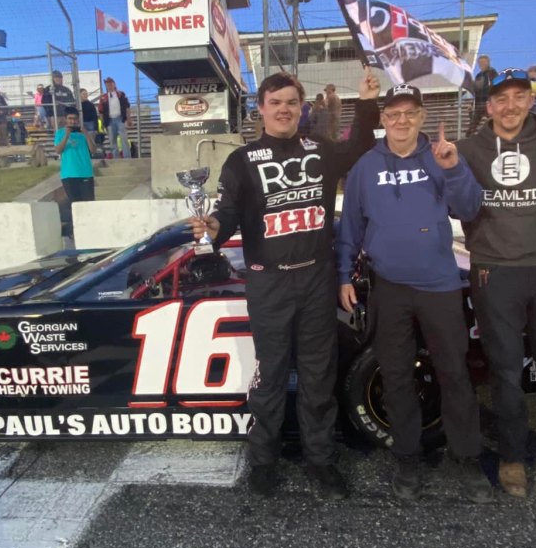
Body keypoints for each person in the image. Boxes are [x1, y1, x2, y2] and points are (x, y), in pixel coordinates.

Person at [190, 68, 380, 499]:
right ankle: (263, 461)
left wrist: (368, 103)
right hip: (268, 281)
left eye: (291, 102)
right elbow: (227, 213)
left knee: (318, 375)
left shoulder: (321, 150)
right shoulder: (241, 160)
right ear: (260, 109)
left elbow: (358, 147)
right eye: (275, 103)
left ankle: (321, 460)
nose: (283, 110)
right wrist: (212, 228)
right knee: (270, 375)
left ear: (301, 108)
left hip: (316, 278)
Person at [337, 85, 491, 503]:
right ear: (382, 119)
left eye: (409, 113)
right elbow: (350, 227)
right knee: (396, 374)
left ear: (422, 116)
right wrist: (344, 276)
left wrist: (453, 168)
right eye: (393, 114)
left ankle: (467, 457)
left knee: (454, 373)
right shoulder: (366, 166)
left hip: (439, 284)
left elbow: (470, 209)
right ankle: (407, 456)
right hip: (389, 287)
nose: (401, 121)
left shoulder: (441, 156)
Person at [455, 68, 536, 498]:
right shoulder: (469, 149)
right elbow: (454, 199)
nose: (510, 106)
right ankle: (512, 456)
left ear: (531, 101)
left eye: (518, 96)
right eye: (501, 99)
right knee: (505, 370)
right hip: (493, 270)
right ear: (489, 106)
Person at [55, 109, 97, 239]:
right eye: (70, 119)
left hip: (85, 173)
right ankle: (72, 231)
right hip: (69, 174)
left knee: (89, 205)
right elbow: (58, 150)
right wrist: (66, 135)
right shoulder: (60, 133)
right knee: (75, 205)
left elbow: (93, 150)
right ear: (65, 119)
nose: (72, 121)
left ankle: (76, 230)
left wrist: (87, 135)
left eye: (75, 119)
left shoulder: (83, 134)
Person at [97, 77, 131, 159]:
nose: (109, 85)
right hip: (109, 120)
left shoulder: (121, 94)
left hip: (120, 118)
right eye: (107, 84)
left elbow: (127, 106)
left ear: (114, 84)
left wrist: (129, 118)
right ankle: (116, 158)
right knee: (112, 141)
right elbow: (101, 111)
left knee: (124, 138)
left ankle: (127, 156)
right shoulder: (103, 97)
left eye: (110, 83)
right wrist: (102, 122)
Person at [466, 54, 496, 137]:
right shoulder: (478, 75)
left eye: (483, 62)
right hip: (479, 104)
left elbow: (496, 88)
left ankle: (495, 139)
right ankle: (469, 139)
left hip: (489, 103)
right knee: (472, 127)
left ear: (488, 62)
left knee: (494, 123)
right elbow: (476, 92)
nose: (481, 64)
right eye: (480, 63)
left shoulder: (492, 73)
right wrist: (472, 104)